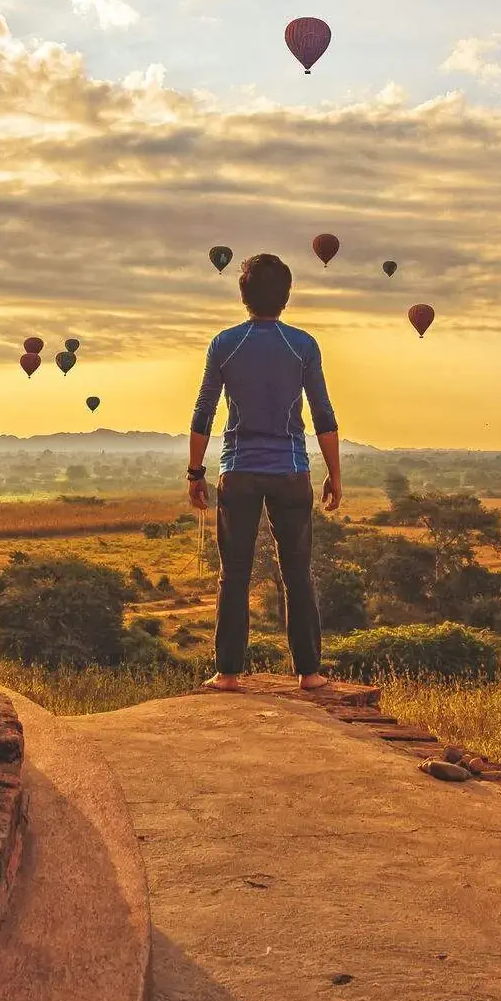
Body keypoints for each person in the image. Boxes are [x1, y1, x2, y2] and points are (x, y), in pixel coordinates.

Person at [188, 253, 343, 691]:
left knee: (233, 572)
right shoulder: (303, 345)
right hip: (292, 471)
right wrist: (334, 474)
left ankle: (228, 673)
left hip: (238, 470)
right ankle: (309, 673)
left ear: (243, 296)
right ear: (287, 297)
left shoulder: (225, 343)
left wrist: (195, 472)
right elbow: (323, 415)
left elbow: (203, 412)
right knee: (297, 571)